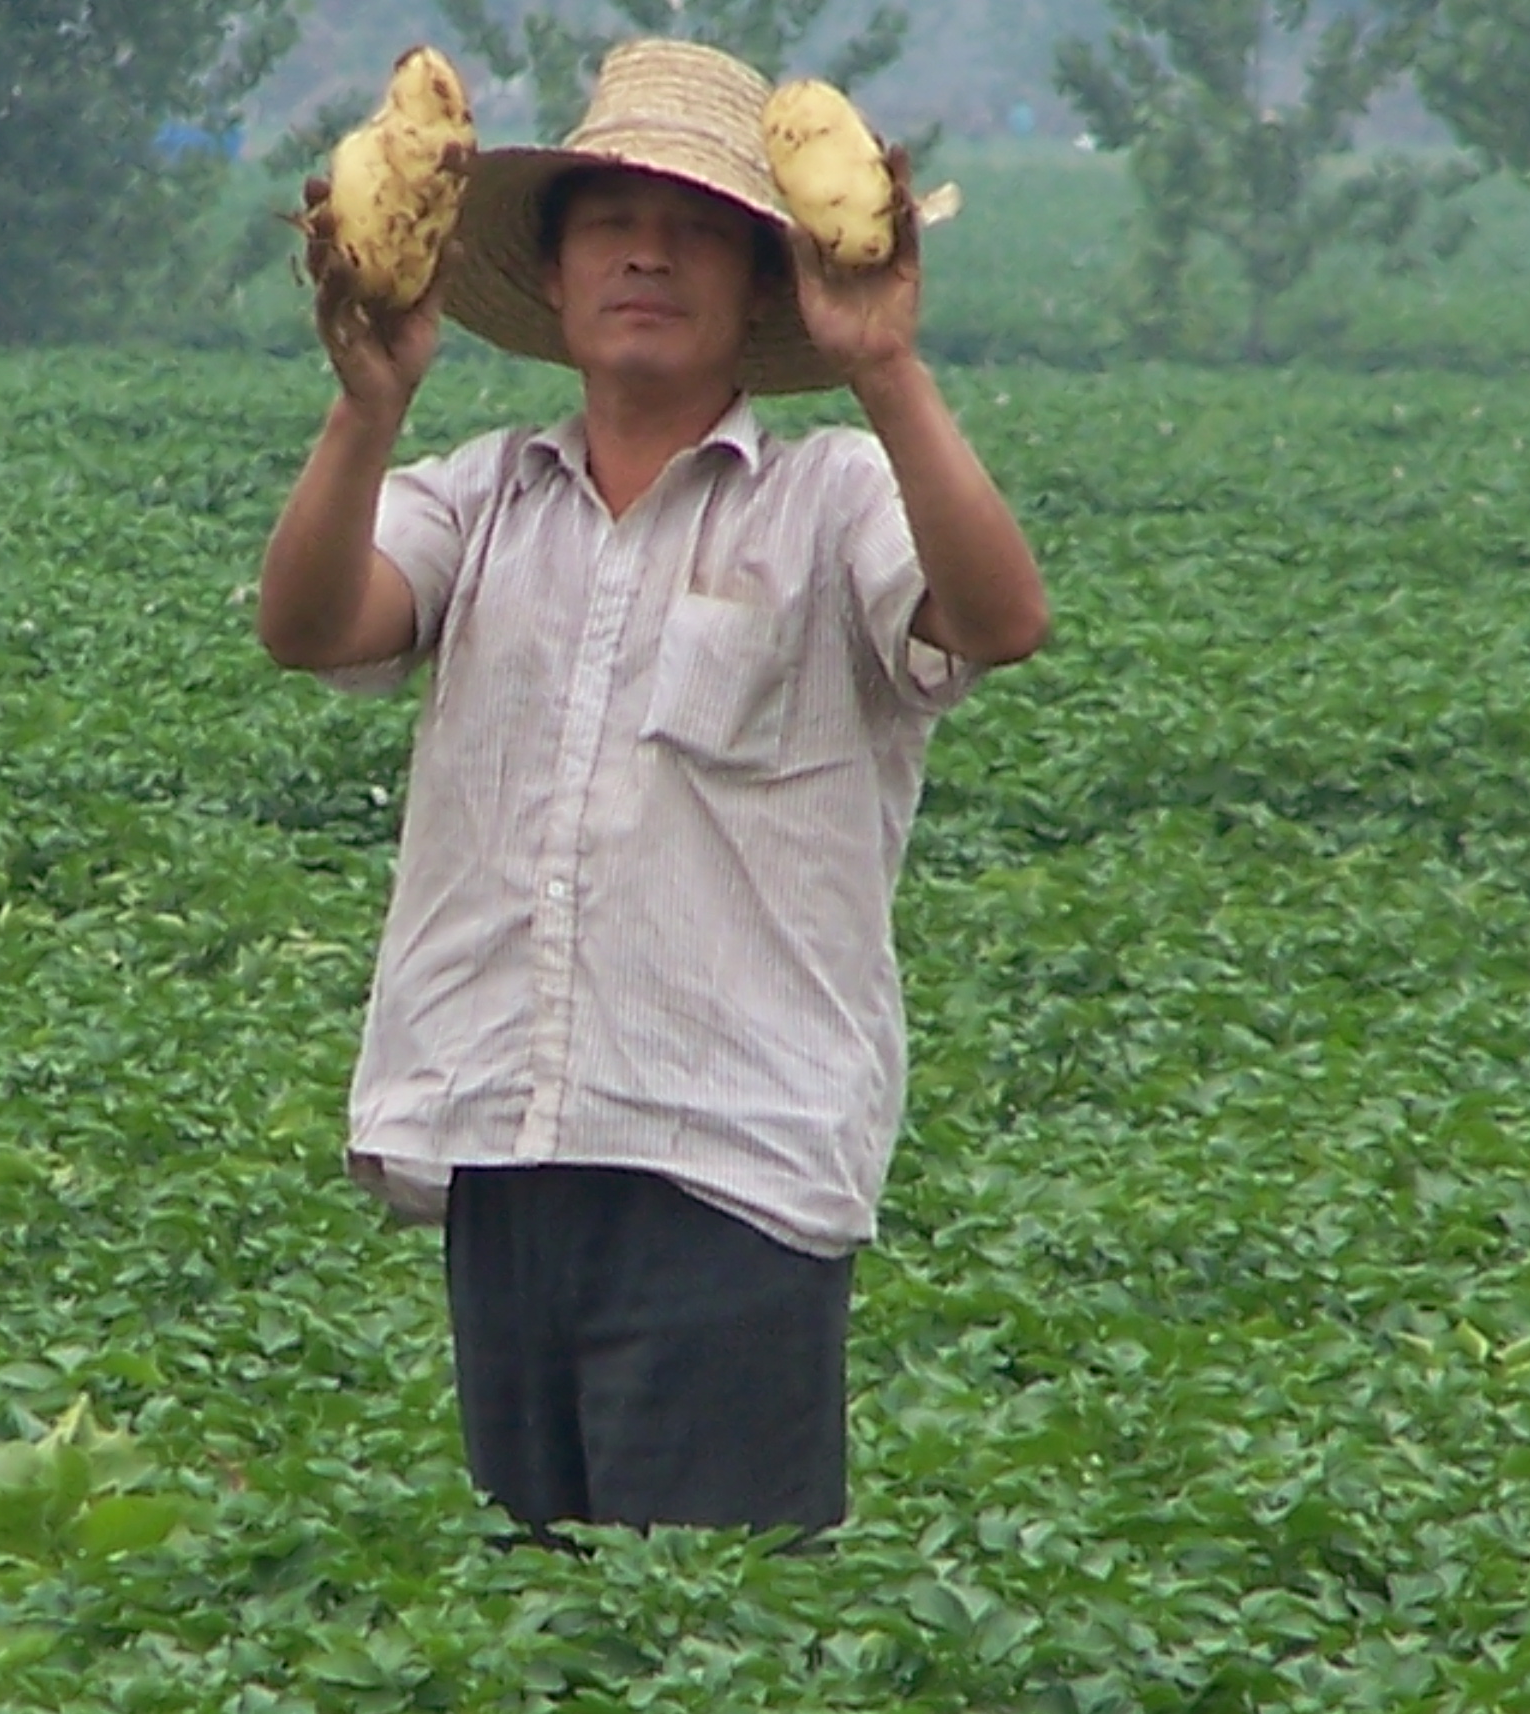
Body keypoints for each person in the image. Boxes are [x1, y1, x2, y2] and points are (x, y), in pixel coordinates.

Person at [256, 38, 1049, 1541]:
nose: (647, 253)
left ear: (763, 288)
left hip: (729, 1166)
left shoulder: (832, 505)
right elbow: (308, 627)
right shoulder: (480, 499)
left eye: (696, 229)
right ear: (552, 280)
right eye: (612, 220)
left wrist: (885, 366)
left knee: (706, 1666)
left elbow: (999, 619)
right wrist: (366, 406)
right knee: (542, 1642)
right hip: (507, 1146)